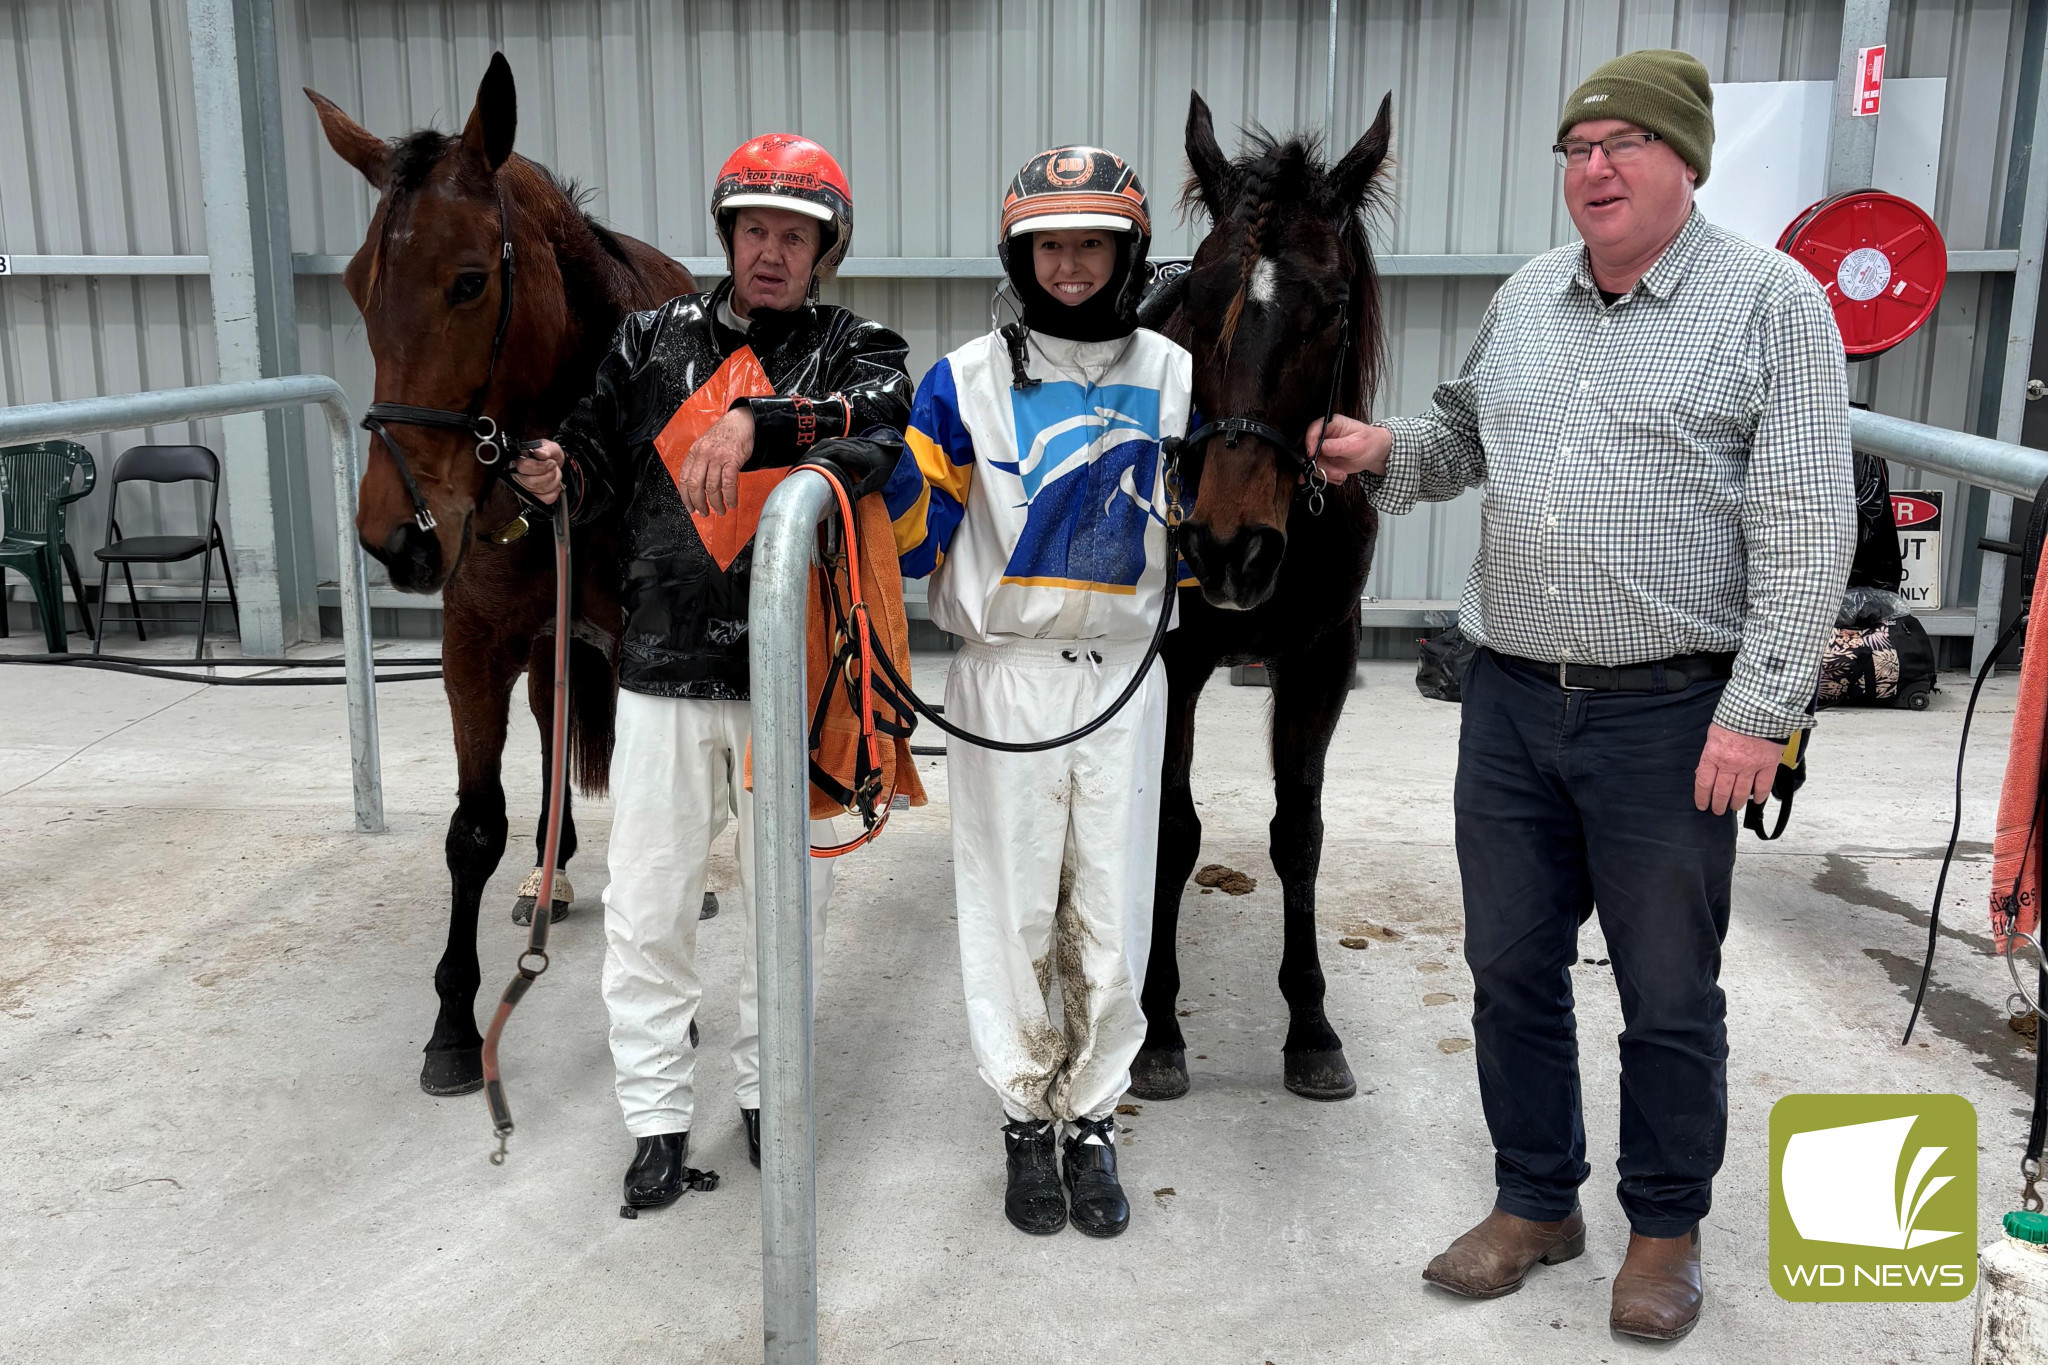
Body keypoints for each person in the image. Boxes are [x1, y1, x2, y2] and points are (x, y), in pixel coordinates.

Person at [1307, 50, 1854, 1338]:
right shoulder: (1527, 297)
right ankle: (1535, 1200)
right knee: (1508, 968)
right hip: (1507, 696)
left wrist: (1759, 709)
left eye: (1620, 145)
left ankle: (1661, 1230)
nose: (1591, 169)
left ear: (1683, 161)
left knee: (1667, 990)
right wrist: (1390, 453)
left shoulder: (1771, 306)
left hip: (1672, 715)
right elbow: (1461, 436)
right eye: (1575, 149)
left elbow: (1804, 526)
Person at [511, 133, 912, 1212]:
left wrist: (756, 420)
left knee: (789, 912)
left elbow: (883, 425)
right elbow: (592, 458)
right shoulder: (645, 343)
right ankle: (653, 1122)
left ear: (823, 247)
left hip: (798, 683)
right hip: (656, 675)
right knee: (648, 910)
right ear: (726, 235)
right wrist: (555, 472)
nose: (769, 252)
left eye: (792, 234)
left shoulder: (857, 343)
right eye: (752, 231)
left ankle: (767, 1094)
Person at [878, 146, 1192, 1239]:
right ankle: (1022, 1118)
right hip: (1002, 674)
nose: (1070, 264)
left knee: (1112, 911)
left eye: (1091, 243)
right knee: (1008, 908)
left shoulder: (1179, 374)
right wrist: (873, 471)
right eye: (1050, 244)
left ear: (1126, 252)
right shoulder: (960, 378)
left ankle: (1095, 1120)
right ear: (1020, 251)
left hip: (1124, 676)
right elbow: (919, 537)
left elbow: (1203, 542)